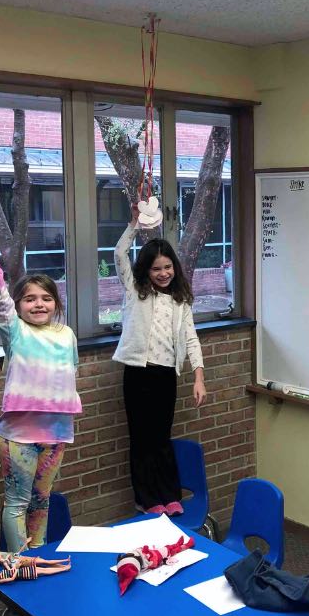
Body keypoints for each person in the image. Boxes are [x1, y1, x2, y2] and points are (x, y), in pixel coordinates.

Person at [0, 217, 81, 549]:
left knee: (41, 500)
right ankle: (19, 564)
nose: (38, 304)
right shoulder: (15, 331)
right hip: (18, 435)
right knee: (17, 501)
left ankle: (38, 557)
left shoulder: (66, 334)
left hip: (55, 435)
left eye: (46, 298)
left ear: (56, 304)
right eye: (30, 299)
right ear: (18, 307)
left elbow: (70, 374)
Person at [112, 206, 206, 516]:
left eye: (168, 267)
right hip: (138, 374)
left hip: (166, 376)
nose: (164, 273)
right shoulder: (134, 290)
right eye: (156, 269)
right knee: (142, 440)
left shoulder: (180, 300)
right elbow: (119, 252)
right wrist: (134, 226)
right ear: (146, 271)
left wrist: (198, 378)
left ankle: (169, 495)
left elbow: (191, 339)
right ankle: (147, 500)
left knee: (162, 438)